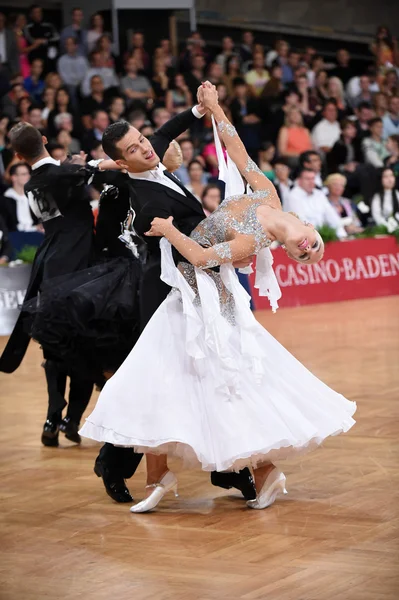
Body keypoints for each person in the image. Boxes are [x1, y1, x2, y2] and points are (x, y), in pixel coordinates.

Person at [79, 82, 355, 513]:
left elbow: (205, 257)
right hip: (178, 289)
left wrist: (169, 230)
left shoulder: (253, 237)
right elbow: (235, 148)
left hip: (201, 293)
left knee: (216, 384)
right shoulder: (267, 192)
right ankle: (186, 474)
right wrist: (212, 108)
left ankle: (246, 471)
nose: (306, 245)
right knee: (169, 377)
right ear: (307, 225)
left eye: (304, 252)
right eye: (312, 242)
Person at [0, 123, 95, 447]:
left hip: (49, 267)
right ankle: (72, 419)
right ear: (44, 140)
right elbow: (82, 178)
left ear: (18, 155)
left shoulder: (31, 187)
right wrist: (80, 163)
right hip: (80, 266)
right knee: (83, 344)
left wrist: (74, 166)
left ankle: (54, 414)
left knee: (55, 345)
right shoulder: (63, 172)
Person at [285, 168, 347, 238]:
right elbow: (301, 221)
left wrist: (342, 236)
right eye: (308, 179)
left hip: (322, 237)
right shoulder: (292, 196)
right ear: (299, 181)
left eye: (313, 179)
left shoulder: (319, 194)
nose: (311, 182)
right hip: (303, 239)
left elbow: (332, 217)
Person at [0, 162, 37, 232]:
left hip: (37, 235)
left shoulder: (35, 196)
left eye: (28, 173)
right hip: (15, 237)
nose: (28, 176)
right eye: (24, 174)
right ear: (14, 178)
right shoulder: (4, 200)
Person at [24, 5, 60, 70]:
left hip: (49, 58)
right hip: (35, 58)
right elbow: (31, 40)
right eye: (36, 12)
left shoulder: (49, 25)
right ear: (31, 14)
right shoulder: (27, 27)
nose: (38, 14)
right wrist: (40, 41)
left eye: (39, 12)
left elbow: (57, 37)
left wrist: (45, 40)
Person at [0, 12, 20, 78]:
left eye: (2, 20)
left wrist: (16, 71)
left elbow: (14, 53)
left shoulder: (10, 34)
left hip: (7, 67)